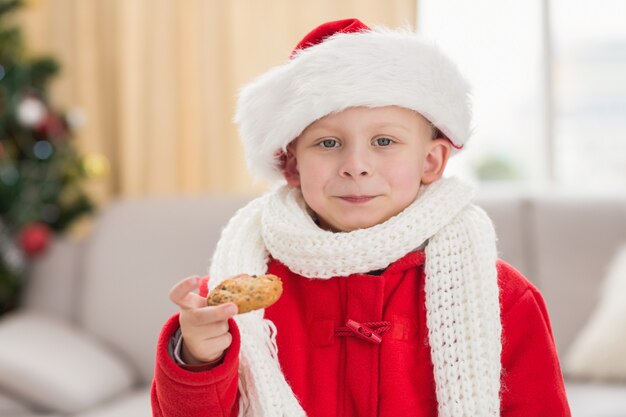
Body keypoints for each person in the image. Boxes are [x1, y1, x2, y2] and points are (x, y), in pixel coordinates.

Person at [151, 18, 571, 417]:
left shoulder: (503, 298)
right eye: (328, 142)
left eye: (384, 141)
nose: (356, 165)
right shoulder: (226, 301)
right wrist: (196, 358)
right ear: (292, 165)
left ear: (430, 160)